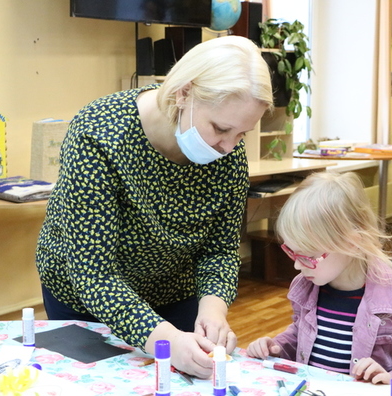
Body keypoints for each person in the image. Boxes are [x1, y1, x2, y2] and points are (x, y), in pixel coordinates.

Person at [36, 35, 274, 378]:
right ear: (184, 93)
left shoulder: (228, 154)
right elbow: (93, 273)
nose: (227, 147)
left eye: (242, 134)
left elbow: (220, 249)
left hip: (174, 295)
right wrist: (167, 340)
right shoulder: (99, 134)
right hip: (88, 300)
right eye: (221, 129)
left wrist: (213, 309)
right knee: (97, 390)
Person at [246, 172, 392, 392]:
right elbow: (301, 333)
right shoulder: (307, 287)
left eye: (308, 256)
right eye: (292, 252)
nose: (297, 265)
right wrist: (276, 346)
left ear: (351, 243)